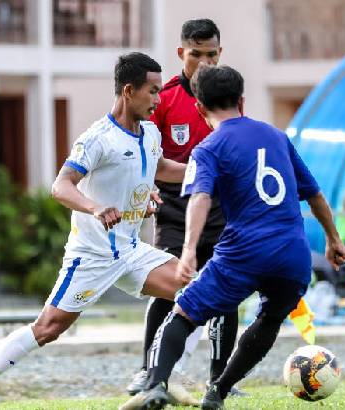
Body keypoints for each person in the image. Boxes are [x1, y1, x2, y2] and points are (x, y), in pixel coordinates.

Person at [0, 52, 190, 409]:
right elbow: (61, 186)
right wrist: (96, 207)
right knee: (47, 329)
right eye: (153, 91)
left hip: (130, 249)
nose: (158, 100)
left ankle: (158, 380)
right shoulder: (97, 138)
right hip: (92, 255)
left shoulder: (149, 132)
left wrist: (203, 171)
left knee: (197, 290)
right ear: (129, 91)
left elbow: (158, 167)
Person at [120, 65, 345, 410]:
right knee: (270, 318)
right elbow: (314, 194)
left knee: (182, 315)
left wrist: (188, 252)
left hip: (244, 251)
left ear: (198, 107)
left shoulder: (208, 147)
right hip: (293, 253)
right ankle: (218, 391)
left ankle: (155, 385)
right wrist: (334, 239)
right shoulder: (277, 136)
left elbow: (200, 197)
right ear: (242, 101)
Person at [125, 18, 237, 401]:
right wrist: (148, 189)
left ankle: (221, 379)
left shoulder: (228, 96)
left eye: (211, 54)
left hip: (221, 208)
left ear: (220, 53)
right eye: (196, 54)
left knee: (227, 288)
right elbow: (147, 155)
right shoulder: (165, 98)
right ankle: (148, 371)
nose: (204, 62)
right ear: (181, 53)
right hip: (175, 206)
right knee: (171, 285)